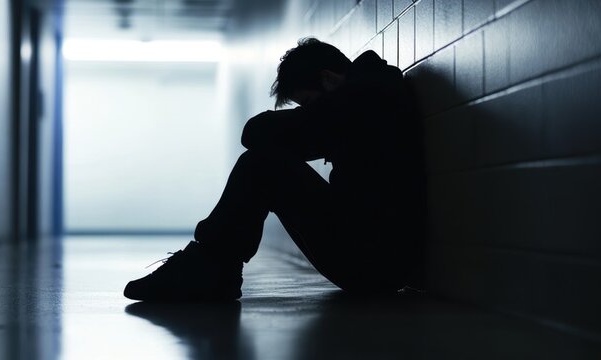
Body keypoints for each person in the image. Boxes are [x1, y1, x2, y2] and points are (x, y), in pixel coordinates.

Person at [124, 38, 425, 301]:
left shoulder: (366, 97)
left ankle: (210, 269)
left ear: (329, 79)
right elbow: (277, 134)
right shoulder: (371, 95)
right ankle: (212, 266)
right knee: (265, 161)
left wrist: (321, 112)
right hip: (376, 255)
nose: (308, 112)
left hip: (374, 262)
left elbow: (255, 133)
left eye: (307, 103)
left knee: (261, 164)